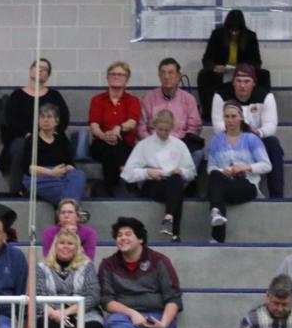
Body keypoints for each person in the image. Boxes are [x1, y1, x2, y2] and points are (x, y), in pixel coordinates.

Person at [98, 217, 182, 328]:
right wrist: (132, 313)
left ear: (140, 239)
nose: (123, 238)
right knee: (112, 323)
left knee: (169, 327)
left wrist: (163, 324)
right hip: (125, 319)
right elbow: (106, 300)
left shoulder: (160, 261)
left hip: (157, 316)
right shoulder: (108, 264)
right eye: (119, 235)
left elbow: (173, 297)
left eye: (128, 234)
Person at [120, 109, 196, 242]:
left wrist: (182, 171)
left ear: (172, 128)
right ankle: (175, 233)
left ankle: (169, 216)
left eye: (167, 130)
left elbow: (191, 172)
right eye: (160, 129)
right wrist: (147, 172)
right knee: (176, 190)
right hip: (152, 184)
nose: (163, 133)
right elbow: (127, 173)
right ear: (154, 126)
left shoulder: (179, 145)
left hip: (172, 182)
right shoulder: (144, 145)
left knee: (176, 181)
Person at [210, 65, 284, 199]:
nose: (242, 86)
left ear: (254, 83)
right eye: (238, 81)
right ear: (233, 82)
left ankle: (277, 196)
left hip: (256, 139)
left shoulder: (266, 96)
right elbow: (218, 126)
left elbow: (271, 125)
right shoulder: (220, 95)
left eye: (246, 81)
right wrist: (241, 133)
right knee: (217, 142)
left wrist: (258, 133)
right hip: (230, 138)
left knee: (273, 143)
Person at [0, 57, 69, 195]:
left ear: (48, 76)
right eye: (38, 67)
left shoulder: (55, 95)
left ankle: (64, 189)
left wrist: (46, 134)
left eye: (45, 69)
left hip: (49, 136)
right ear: (30, 71)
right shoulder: (17, 95)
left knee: (63, 144)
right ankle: (17, 190)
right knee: (20, 145)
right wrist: (28, 135)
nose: (41, 70)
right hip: (23, 137)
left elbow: (64, 119)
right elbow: (10, 121)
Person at [204, 101, 271, 244]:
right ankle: (216, 212)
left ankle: (217, 232)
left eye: (233, 116)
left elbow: (266, 165)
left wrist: (245, 167)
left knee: (215, 189)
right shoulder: (216, 140)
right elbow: (210, 168)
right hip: (224, 182)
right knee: (215, 175)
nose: (230, 120)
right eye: (227, 117)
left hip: (247, 184)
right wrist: (225, 171)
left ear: (241, 117)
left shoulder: (251, 139)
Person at [35, 226, 107, 328]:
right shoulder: (41, 267)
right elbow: (37, 296)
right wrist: (54, 314)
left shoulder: (87, 266)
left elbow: (93, 295)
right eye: (61, 243)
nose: (65, 246)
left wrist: (66, 312)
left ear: (77, 248)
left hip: (83, 313)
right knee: (45, 327)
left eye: (70, 243)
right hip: (51, 313)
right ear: (55, 246)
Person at [137, 58, 206, 173]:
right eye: (163, 73)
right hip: (153, 144)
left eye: (170, 73)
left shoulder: (189, 99)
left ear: (178, 76)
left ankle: (178, 183)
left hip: (180, 144)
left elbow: (194, 128)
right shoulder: (148, 98)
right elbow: (141, 127)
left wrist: (174, 142)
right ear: (159, 76)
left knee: (198, 154)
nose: (166, 76)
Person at [87, 61, 141, 197]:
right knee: (109, 145)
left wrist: (118, 128)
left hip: (125, 145)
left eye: (121, 75)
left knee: (113, 147)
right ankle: (128, 176)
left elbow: (132, 122)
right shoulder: (97, 100)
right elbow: (94, 126)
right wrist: (104, 136)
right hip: (100, 142)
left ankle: (108, 189)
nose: (116, 77)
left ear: (127, 79)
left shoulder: (132, 101)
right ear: (107, 77)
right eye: (113, 74)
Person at [21, 103, 86, 207]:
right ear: (38, 121)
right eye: (42, 117)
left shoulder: (62, 140)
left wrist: (69, 167)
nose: (45, 120)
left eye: (49, 117)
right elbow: (28, 168)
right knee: (63, 188)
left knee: (79, 175)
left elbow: (70, 163)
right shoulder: (31, 140)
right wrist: (51, 172)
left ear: (57, 121)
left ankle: (66, 210)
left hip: (60, 174)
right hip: (40, 176)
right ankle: (72, 210)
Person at [199, 9, 263, 112]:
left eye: (236, 31)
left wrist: (246, 69)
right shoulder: (217, 35)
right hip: (221, 72)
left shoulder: (250, 36)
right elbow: (207, 59)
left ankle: (258, 110)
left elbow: (257, 61)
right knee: (204, 75)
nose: (234, 33)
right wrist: (215, 67)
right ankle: (208, 112)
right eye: (231, 30)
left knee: (263, 74)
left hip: (242, 72)